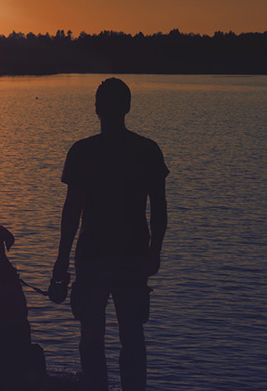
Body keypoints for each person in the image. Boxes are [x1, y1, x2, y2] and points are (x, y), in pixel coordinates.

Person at [51, 78, 168, 391]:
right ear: (128, 108)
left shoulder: (82, 152)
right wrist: (155, 252)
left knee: (91, 340)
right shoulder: (147, 151)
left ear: (96, 109)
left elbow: (71, 211)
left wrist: (61, 260)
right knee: (132, 339)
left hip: (93, 258)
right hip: (132, 257)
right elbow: (159, 211)